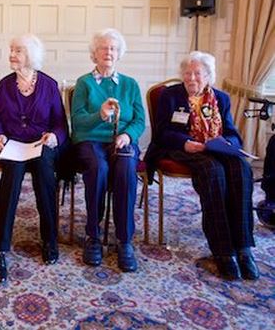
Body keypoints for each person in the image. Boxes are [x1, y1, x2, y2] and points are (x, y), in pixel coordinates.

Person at [145, 51, 259, 280]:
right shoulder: (171, 96)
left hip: (213, 147)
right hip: (181, 147)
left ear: (208, 76)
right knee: (212, 171)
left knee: (241, 169)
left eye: (198, 73)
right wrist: (185, 143)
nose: (192, 78)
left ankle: (244, 248)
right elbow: (162, 133)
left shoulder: (221, 99)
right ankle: (223, 250)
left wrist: (228, 143)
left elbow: (232, 133)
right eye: (187, 73)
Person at [0, 34, 68, 283]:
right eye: (11, 50)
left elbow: (59, 123)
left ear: (30, 55)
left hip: (40, 143)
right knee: (10, 178)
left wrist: (54, 136)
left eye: (18, 51)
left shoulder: (49, 84)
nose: (12, 55)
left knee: (45, 174)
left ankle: (50, 240)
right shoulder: (4, 85)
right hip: (13, 145)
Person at [71, 28, 145, 272]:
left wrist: (127, 135)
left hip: (121, 141)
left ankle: (124, 240)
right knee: (98, 167)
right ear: (94, 53)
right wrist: (99, 115)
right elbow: (78, 121)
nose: (108, 52)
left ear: (119, 53)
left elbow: (139, 121)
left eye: (113, 48)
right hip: (90, 140)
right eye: (103, 48)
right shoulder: (84, 83)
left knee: (125, 168)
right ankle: (93, 235)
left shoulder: (131, 85)